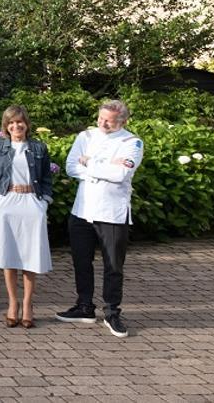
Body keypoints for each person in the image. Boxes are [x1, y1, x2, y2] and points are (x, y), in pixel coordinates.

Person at [59, 99, 144, 338]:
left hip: (112, 212)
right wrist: (103, 166)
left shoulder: (132, 142)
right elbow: (70, 167)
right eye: (101, 117)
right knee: (81, 261)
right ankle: (84, 306)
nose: (102, 123)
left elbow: (121, 173)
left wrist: (90, 162)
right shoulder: (85, 136)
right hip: (83, 209)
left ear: (123, 121)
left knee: (113, 265)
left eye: (109, 120)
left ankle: (112, 311)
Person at [0, 105, 53, 329]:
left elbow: (45, 180)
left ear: (26, 124)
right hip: (7, 202)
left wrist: (43, 203)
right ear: (6, 126)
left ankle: (28, 304)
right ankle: (12, 303)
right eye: (11, 123)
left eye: (19, 122)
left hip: (31, 203)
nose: (16, 126)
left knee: (30, 255)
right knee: (9, 254)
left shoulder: (38, 148)